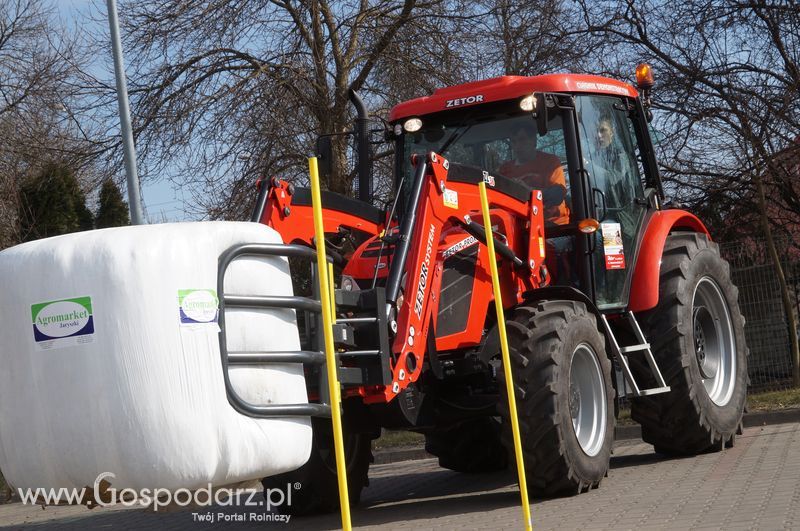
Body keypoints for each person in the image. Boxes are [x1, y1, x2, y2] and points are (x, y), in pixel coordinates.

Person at [498, 122, 569, 225]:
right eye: (513, 141)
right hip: (518, 227)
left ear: (534, 141)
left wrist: (525, 190)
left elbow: (557, 195)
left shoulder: (551, 162)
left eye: (522, 140)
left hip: (552, 226)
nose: (518, 146)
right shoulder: (505, 170)